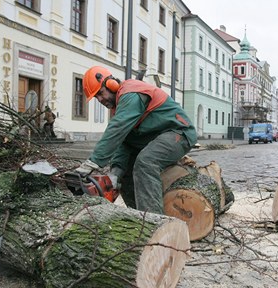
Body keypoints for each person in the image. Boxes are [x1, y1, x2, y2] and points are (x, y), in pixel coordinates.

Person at [74, 66, 197, 215]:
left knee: (146, 162)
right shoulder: (120, 106)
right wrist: (115, 174)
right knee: (126, 171)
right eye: (96, 97)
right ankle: (137, 216)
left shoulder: (131, 93)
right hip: (154, 137)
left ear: (111, 84)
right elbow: (124, 141)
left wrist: (93, 162)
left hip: (179, 132)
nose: (100, 99)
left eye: (100, 93)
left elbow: (117, 129)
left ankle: (153, 220)